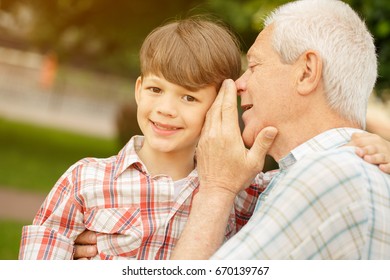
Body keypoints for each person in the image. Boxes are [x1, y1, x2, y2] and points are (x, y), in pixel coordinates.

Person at [19, 16, 275, 260]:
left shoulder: (241, 193)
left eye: (189, 97)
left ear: (221, 105)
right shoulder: (84, 181)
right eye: (156, 89)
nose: (165, 109)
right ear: (139, 90)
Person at [167, 0, 390, 259]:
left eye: (253, 66)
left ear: (307, 72)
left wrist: (216, 189)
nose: (238, 84)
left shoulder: (330, 175)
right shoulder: (357, 170)